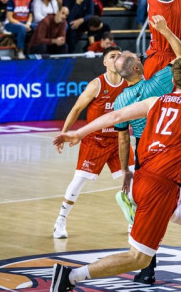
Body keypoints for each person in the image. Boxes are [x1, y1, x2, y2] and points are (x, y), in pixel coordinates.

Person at [51, 56, 181, 292]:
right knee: (138, 258)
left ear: (173, 81)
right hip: (159, 188)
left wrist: (79, 133)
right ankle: (70, 276)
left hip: (149, 177)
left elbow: (115, 117)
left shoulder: (154, 101)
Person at [52, 46, 129, 238]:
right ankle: (60, 221)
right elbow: (77, 109)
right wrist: (63, 133)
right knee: (79, 181)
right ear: (104, 62)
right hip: (95, 140)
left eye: (119, 56)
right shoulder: (97, 84)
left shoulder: (128, 84)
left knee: (133, 179)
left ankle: (133, 221)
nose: (116, 59)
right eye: (112, 56)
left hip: (119, 140)